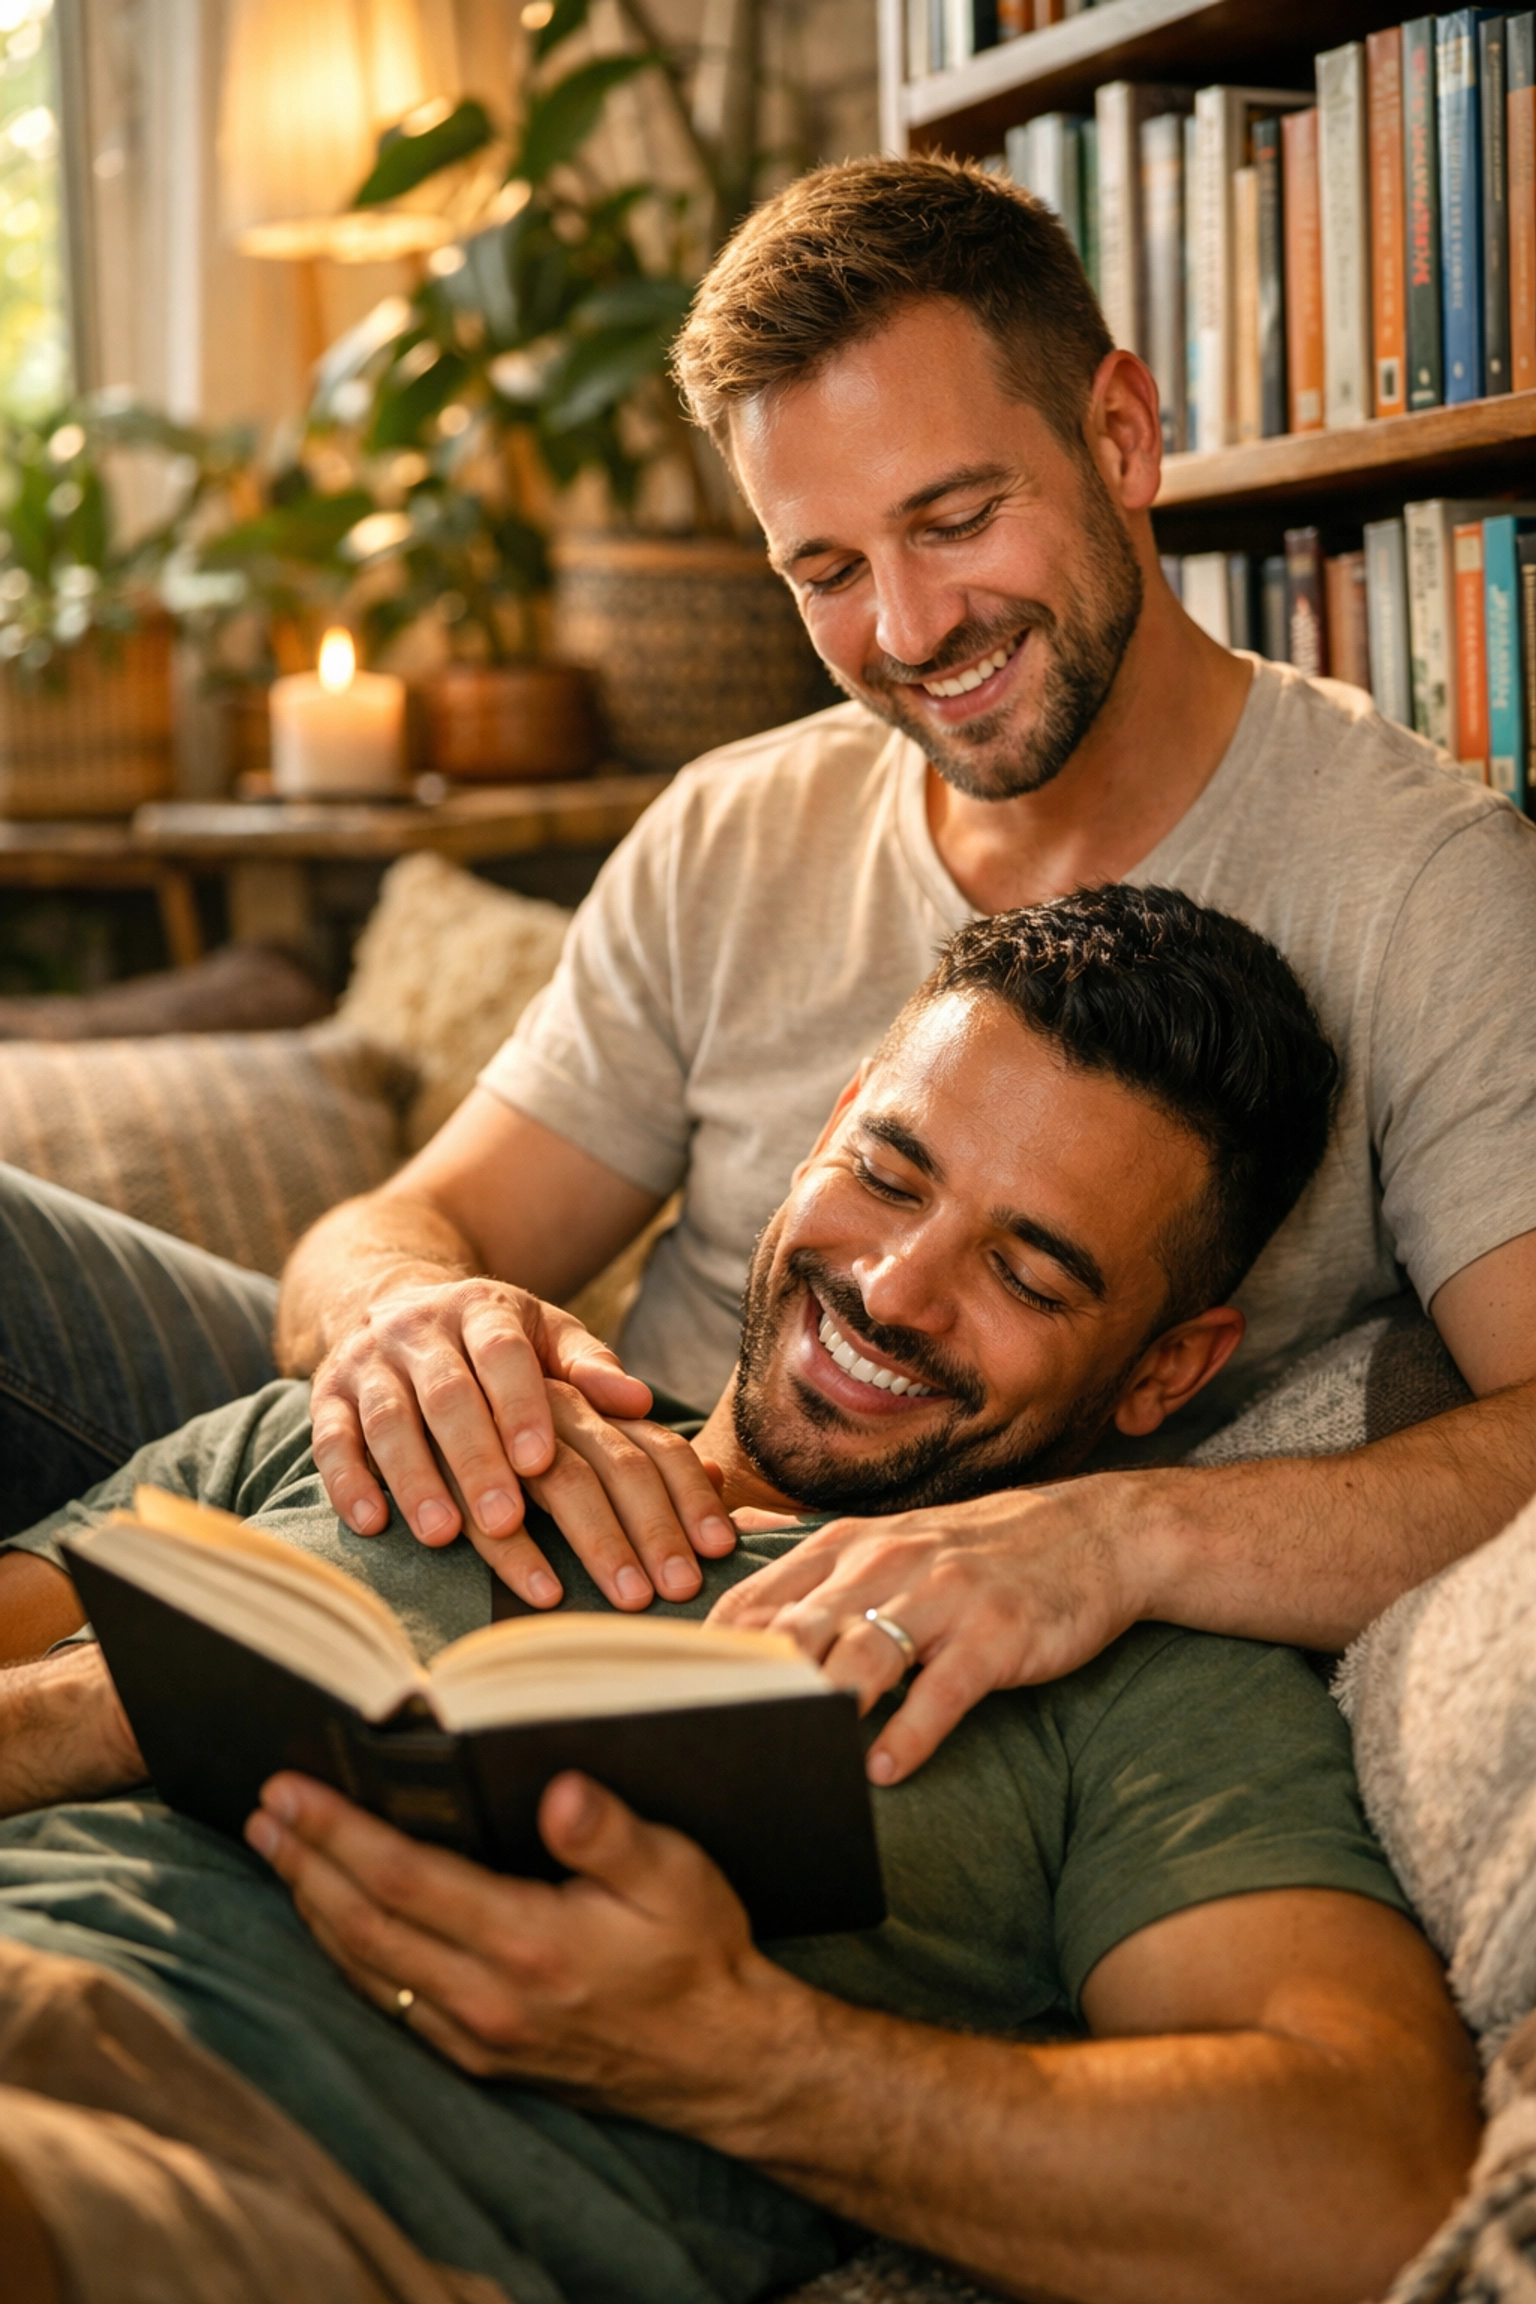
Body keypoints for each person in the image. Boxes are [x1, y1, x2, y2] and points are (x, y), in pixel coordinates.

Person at [8, 155, 1536, 1774]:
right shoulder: (742, 820)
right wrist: (406, 1317)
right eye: (825, 571)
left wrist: (1116, 1542)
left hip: (812, 1628)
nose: (909, 627)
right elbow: (405, 1221)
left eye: (955, 520)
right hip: (544, 1488)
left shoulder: (1418, 885)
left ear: (1120, 434)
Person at [0, 891, 1479, 2304]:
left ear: (1166, 1367)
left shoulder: (1141, 1686)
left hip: (226, 2178)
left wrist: (731, 2052)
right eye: (888, 1178)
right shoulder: (402, 1412)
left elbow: (1368, 2186)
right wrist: (73, 1711)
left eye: (1028, 1276)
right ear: (823, 1134)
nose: (895, 1291)